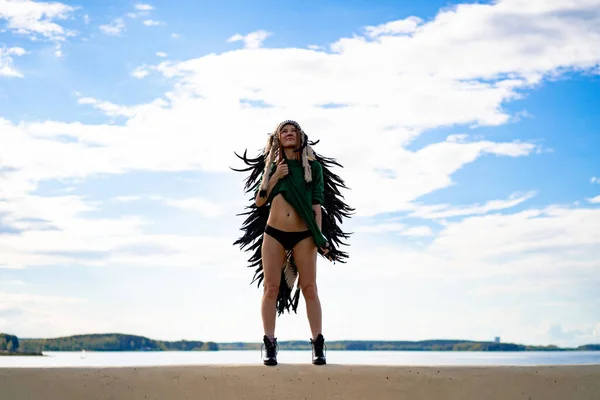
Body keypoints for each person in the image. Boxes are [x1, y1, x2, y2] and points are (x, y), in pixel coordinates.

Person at [232, 120, 353, 366]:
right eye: (284, 131)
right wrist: (275, 176)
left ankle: (318, 344)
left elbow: (316, 204)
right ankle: (270, 344)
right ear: (278, 139)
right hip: (274, 232)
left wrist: (319, 237)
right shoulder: (271, 168)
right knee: (270, 289)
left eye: (293, 131)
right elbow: (259, 201)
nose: (289, 134)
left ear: (301, 137)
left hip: (303, 235)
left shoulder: (313, 168)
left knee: (310, 288)